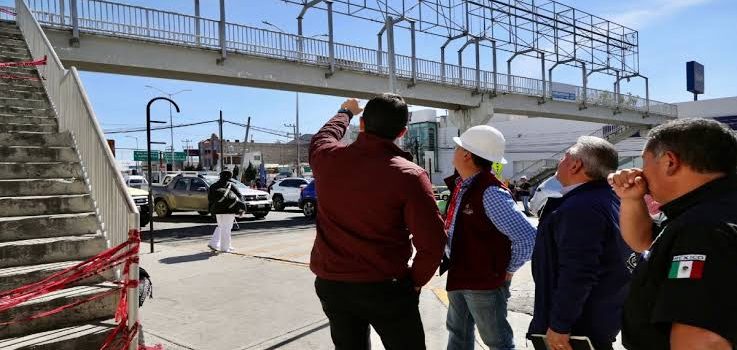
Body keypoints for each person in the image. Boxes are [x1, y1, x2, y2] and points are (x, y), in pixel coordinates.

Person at [309, 94, 447, 350]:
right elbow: (433, 242)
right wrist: (414, 282)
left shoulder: (326, 158)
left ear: (362, 125)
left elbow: (323, 136)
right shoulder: (409, 175)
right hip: (386, 287)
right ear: (403, 131)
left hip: (333, 284)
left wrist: (345, 112)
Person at [608, 118, 737, 350]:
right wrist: (632, 198)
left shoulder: (702, 229)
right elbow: (644, 243)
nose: (641, 174)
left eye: (644, 163)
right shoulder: (706, 207)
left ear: (669, 162)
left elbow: (702, 340)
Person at [527, 136, 633, 350]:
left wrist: (560, 325)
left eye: (565, 156)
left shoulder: (580, 208)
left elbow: (578, 272)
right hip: (599, 322)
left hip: (576, 331)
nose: (560, 161)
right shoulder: (609, 198)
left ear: (575, 165)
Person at [442, 125, 536, 350]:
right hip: (460, 274)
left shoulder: (490, 191)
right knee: (458, 335)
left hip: (483, 281)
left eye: (457, 147)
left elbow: (529, 237)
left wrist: (507, 270)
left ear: (466, 155)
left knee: (497, 342)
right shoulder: (464, 185)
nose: (453, 151)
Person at [207, 171, 244, 253]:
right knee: (227, 228)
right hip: (229, 210)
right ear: (229, 178)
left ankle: (215, 243)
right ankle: (224, 248)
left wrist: (212, 210)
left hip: (217, 210)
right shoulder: (231, 185)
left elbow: (210, 199)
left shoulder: (213, 186)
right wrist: (241, 208)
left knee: (221, 227)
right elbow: (240, 196)